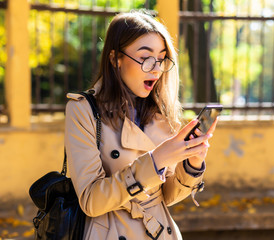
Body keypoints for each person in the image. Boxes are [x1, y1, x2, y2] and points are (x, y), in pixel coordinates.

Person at [64, 10, 216, 240]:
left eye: (161, 58)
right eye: (145, 58)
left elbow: (167, 197)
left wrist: (193, 164)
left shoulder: (161, 112)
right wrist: (156, 161)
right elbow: (90, 201)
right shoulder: (83, 110)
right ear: (115, 58)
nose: (155, 68)